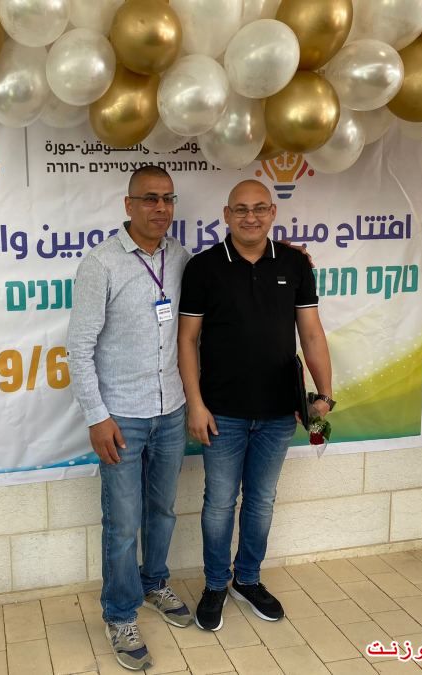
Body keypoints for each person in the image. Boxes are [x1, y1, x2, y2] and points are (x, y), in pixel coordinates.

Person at [177, 179, 334, 632]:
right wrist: (195, 404)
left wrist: (324, 395)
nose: (251, 217)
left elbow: (311, 333)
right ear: (226, 215)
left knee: (261, 501)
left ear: (272, 213)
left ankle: (247, 579)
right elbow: (187, 340)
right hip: (221, 413)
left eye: (260, 208)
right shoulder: (204, 267)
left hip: (278, 412)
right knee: (219, 504)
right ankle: (214, 585)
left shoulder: (294, 263)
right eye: (241, 209)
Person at [67, 165, 193, 671]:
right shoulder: (101, 263)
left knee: (162, 510)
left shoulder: (181, 258)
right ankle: (120, 614)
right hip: (121, 416)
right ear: (128, 205)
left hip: (172, 411)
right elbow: (79, 347)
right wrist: (97, 417)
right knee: (121, 523)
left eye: (167, 199)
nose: (160, 208)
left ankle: (154, 583)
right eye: (149, 199)